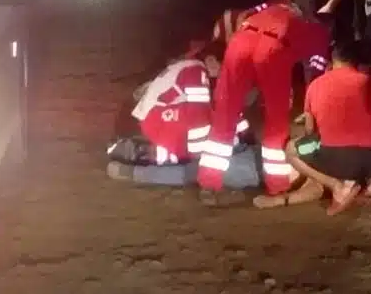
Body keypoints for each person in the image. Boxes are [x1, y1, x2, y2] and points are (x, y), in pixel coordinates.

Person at [197, 0, 331, 199]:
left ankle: (208, 183)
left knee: (226, 111)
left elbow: (243, 16)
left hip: (240, 41)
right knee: (276, 118)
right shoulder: (320, 32)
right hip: (274, 49)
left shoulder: (277, 6)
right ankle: (277, 184)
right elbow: (316, 74)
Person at [262, 39, 371, 214]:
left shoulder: (316, 85)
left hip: (339, 158)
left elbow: (310, 131)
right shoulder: (369, 82)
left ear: (332, 61)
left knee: (291, 149)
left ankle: (337, 186)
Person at [107, 40, 259, 188]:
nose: (222, 74)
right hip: (149, 127)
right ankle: (139, 170)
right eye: (223, 68)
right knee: (190, 165)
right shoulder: (196, 72)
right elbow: (199, 119)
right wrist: (201, 156)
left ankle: (144, 167)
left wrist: (242, 135)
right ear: (212, 60)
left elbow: (219, 112)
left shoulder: (190, 68)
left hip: (145, 124)